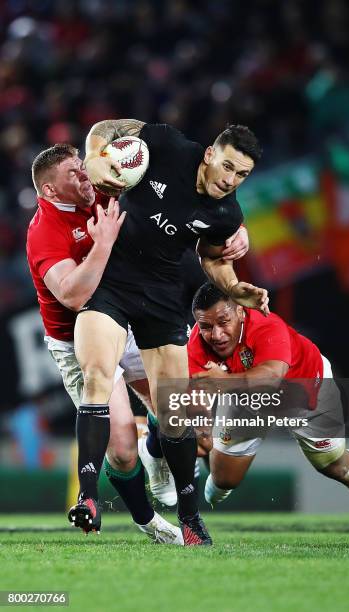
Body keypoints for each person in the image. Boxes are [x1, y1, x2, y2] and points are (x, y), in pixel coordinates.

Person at [74, 120, 268, 545]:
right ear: (209, 155)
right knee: (96, 378)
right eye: (228, 167)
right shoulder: (166, 144)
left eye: (242, 175)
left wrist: (235, 287)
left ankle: (189, 517)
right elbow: (108, 127)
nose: (230, 180)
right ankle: (87, 498)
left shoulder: (226, 213)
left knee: (175, 410)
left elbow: (213, 258)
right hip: (111, 281)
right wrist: (93, 157)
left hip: (161, 297)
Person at [26, 143, 183, 542]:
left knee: (177, 413)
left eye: (81, 165)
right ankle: (148, 521)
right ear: (49, 191)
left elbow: (167, 193)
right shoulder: (44, 232)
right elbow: (73, 295)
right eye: (72, 173)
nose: (83, 175)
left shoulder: (102, 187)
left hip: (127, 321)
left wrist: (232, 230)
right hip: (77, 341)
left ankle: (157, 453)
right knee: (121, 450)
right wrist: (104, 243)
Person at [188, 282, 349, 543]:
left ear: (240, 311)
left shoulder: (266, 325)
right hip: (244, 398)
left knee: (333, 464)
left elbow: (272, 377)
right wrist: (200, 425)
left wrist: (223, 383)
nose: (216, 335)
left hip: (306, 393)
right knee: (222, 483)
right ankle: (217, 455)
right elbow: (195, 391)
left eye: (223, 321)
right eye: (206, 326)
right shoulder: (196, 341)